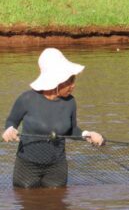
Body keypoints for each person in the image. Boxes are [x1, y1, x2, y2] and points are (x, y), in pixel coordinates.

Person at [2, 48, 104, 188]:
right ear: (56, 81)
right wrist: (9, 129)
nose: (73, 85)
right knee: (26, 202)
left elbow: (71, 129)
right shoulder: (27, 99)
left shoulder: (70, 103)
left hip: (57, 167)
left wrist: (87, 134)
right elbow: (11, 121)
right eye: (69, 81)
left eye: (73, 80)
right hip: (27, 166)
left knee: (56, 204)